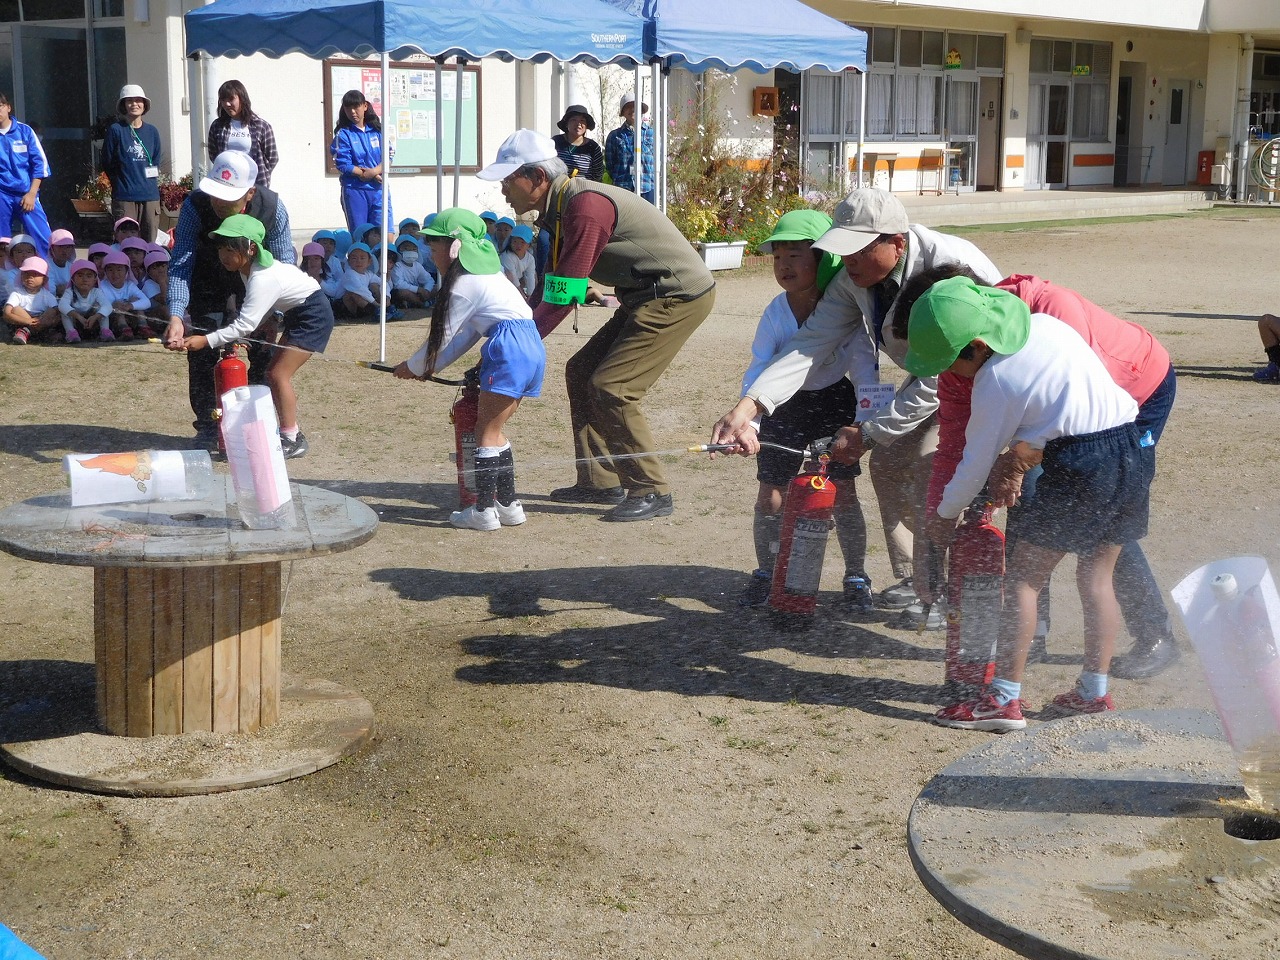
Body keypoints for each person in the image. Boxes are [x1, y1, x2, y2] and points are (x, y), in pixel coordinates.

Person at [710, 189, 1001, 609]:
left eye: (857, 251)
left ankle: (946, 592)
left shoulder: (950, 264)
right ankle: (916, 580)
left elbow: (942, 374)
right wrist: (749, 407)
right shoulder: (853, 280)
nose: (846, 263)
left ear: (896, 243)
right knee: (889, 462)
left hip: (987, 379)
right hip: (935, 376)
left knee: (934, 473)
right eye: (841, 251)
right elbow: (809, 344)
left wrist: (869, 430)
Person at [894, 266, 1180, 680]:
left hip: (1136, 392)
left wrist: (944, 514)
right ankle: (1085, 683)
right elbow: (956, 441)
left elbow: (1075, 412)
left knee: (1028, 575)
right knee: (1090, 566)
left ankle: (1007, 694)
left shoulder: (1047, 318)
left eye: (947, 361)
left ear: (971, 345)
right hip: (1121, 445)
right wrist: (941, 508)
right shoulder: (1034, 329)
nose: (947, 374)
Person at [480, 129, 715, 521]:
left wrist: (514, 346)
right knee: (582, 370)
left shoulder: (585, 206)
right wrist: (516, 332)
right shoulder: (562, 206)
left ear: (536, 178)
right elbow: (551, 285)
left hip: (676, 296)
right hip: (645, 296)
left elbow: (564, 293)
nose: (503, 190)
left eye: (508, 179)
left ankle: (651, 489)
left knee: (613, 387)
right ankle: (599, 480)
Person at [735, 210, 872, 608]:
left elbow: (867, 374)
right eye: (778, 257)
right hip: (784, 407)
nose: (784, 266)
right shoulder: (776, 311)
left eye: (796, 255)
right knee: (770, 495)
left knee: (843, 493)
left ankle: (856, 576)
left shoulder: (849, 309)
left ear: (824, 259)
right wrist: (749, 424)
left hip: (835, 403)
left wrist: (863, 426)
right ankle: (767, 572)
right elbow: (760, 368)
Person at [391, 209, 545, 531]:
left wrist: (415, 366)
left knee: (484, 432)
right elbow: (466, 336)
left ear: (454, 248)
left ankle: (484, 512)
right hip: (529, 346)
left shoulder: (464, 285)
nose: (431, 257)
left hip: (508, 348)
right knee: (496, 429)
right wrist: (428, 368)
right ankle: (509, 505)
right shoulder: (491, 278)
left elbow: (444, 335)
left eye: (434, 249)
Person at [162, 150, 297, 450]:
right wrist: (175, 314)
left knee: (263, 353)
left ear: (250, 193)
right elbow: (181, 262)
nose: (219, 203)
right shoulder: (195, 206)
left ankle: (257, 426)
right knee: (201, 354)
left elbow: (285, 264)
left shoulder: (273, 208)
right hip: (207, 284)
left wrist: (274, 315)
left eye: (229, 197)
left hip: (259, 288)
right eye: (215, 195)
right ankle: (209, 428)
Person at [180, 215, 334, 460]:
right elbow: (262, 311)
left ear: (251, 248)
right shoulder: (248, 270)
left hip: (312, 316)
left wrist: (205, 340)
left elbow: (245, 323)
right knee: (273, 373)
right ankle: (290, 433)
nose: (223, 255)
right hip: (298, 312)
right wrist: (270, 320)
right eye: (220, 248)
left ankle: (292, 438)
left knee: (277, 374)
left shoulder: (262, 277)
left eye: (230, 249)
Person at [101, 84, 163, 243]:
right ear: (123, 105)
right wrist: (121, 182)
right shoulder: (116, 130)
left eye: (138, 100)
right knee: (126, 245)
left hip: (150, 197)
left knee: (149, 244)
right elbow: (107, 162)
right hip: (125, 197)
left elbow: (155, 161)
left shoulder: (152, 131)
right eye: (129, 101)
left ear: (145, 104)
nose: (134, 104)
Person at [330, 90, 390, 235]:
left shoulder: (378, 131)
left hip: (379, 189)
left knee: (386, 235)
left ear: (365, 106)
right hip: (355, 189)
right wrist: (365, 174)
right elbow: (343, 163)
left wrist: (375, 172)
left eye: (356, 107)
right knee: (361, 236)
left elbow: (389, 155)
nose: (352, 112)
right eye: (348, 108)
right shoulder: (343, 134)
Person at [0, 92, 52, 256]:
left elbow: (40, 166)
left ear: (8, 107)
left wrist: (32, 193)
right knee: (2, 242)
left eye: (0, 106)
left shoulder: (25, 131)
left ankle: (48, 274)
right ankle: (5, 277)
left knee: (44, 239)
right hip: (1, 195)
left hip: (26, 193)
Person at [206, 80, 279, 187]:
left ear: (242, 98)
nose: (227, 104)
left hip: (255, 185)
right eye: (223, 100)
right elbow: (214, 155)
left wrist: (260, 173)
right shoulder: (217, 126)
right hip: (226, 183)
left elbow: (272, 157)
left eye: (231, 99)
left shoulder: (261, 126)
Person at [604, 93, 656, 204]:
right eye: (628, 107)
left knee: (647, 221)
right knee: (625, 221)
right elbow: (610, 165)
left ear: (641, 110)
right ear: (623, 112)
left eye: (635, 106)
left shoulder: (652, 134)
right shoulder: (614, 136)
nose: (632, 109)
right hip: (622, 188)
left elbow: (658, 160)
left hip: (646, 187)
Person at [4, 256, 59, 344]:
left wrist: (42, 322)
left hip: (41, 321)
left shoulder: (47, 295)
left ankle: (32, 332)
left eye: (35, 274)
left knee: (52, 311)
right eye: (26, 273)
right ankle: (26, 331)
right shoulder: (17, 293)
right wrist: (27, 321)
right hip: (22, 322)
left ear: (44, 279)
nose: (30, 277)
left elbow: (57, 312)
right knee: (15, 309)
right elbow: (7, 313)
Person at [100, 250, 153, 339]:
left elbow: (147, 302)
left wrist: (131, 305)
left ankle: (143, 327)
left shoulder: (130, 285)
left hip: (130, 318)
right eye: (110, 270)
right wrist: (116, 305)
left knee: (136, 300)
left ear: (126, 271)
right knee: (117, 304)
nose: (115, 273)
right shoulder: (102, 286)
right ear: (105, 271)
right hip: (112, 320)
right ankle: (123, 329)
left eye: (119, 269)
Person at [58, 258, 113, 342]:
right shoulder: (70, 292)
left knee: (102, 309)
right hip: (76, 321)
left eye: (89, 276)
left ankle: (105, 331)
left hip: (92, 321)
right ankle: (71, 333)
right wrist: (78, 316)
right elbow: (62, 305)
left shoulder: (96, 292)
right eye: (80, 275)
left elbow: (108, 306)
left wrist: (95, 316)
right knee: (64, 312)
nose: (84, 279)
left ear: (95, 280)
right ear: (73, 279)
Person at [552, 105, 604, 181]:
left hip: (584, 189)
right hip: (558, 189)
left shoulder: (593, 147)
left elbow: (598, 175)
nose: (578, 124)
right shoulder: (556, 142)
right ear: (566, 124)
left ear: (586, 126)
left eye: (582, 121)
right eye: (574, 120)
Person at [390, 235, 434, 309]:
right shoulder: (397, 265)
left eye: (414, 249)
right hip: (406, 292)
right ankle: (422, 304)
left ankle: (425, 300)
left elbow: (429, 280)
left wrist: (426, 290)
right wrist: (417, 289)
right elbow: (398, 284)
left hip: (419, 292)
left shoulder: (417, 265)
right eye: (406, 248)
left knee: (436, 287)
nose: (410, 251)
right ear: (399, 250)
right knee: (403, 293)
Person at [500, 224, 537, 300]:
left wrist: (530, 296)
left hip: (517, 282)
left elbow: (530, 277)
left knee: (534, 274)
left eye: (522, 242)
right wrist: (522, 296)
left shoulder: (530, 258)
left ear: (529, 245)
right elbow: (513, 278)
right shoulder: (507, 256)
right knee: (509, 274)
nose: (518, 245)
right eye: (515, 241)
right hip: (504, 283)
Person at [46, 229, 76, 297]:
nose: (64, 251)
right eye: (60, 247)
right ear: (52, 248)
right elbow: (50, 290)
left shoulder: (73, 267)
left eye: (68, 247)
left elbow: (80, 289)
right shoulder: (45, 266)